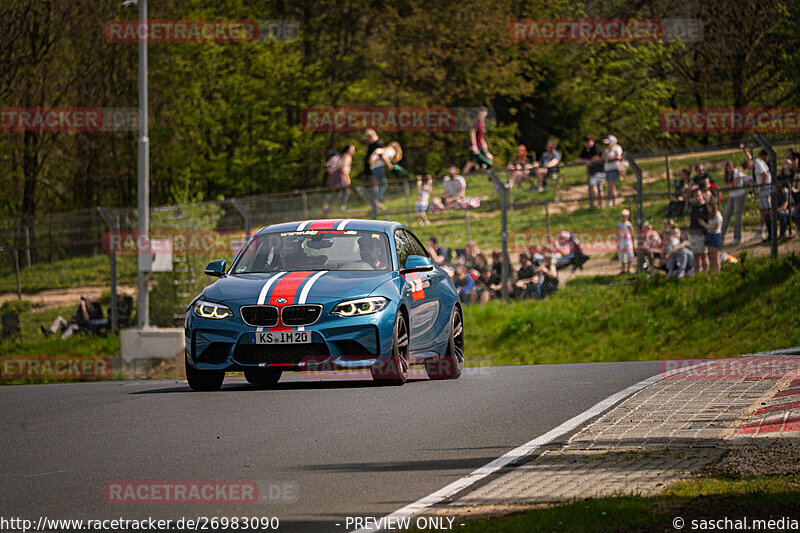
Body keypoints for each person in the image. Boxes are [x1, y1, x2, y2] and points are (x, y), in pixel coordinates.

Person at [720, 159, 750, 245]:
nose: (730, 168)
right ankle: (722, 236)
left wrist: (730, 186)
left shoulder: (736, 172)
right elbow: (726, 186)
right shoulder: (727, 175)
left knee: (737, 217)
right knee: (726, 215)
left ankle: (737, 238)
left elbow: (735, 185)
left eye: (731, 166)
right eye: (728, 167)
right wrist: (730, 185)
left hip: (739, 196)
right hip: (731, 196)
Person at [322, 144, 354, 216]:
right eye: (352, 149)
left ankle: (326, 207)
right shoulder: (347, 157)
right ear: (348, 149)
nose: (354, 150)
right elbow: (344, 168)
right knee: (345, 191)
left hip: (337, 176)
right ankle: (342, 207)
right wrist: (347, 178)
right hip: (342, 176)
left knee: (337, 193)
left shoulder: (342, 156)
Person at [368, 141, 403, 207]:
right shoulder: (392, 151)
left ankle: (378, 200)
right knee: (384, 184)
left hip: (373, 167)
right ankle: (377, 201)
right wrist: (389, 165)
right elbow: (385, 157)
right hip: (379, 167)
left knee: (379, 184)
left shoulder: (385, 149)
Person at [462, 107, 493, 175]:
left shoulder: (482, 123)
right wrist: (474, 145)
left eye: (485, 114)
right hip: (475, 146)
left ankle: (489, 176)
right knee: (471, 162)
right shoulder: (476, 122)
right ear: (479, 113)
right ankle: (462, 177)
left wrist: (484, 145)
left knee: (489, 157)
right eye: (482, 113)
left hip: (480, 145)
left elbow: (481, 137)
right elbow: (472, 133)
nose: (483, 115)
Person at [578, 135, 604, 208]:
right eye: (586, 142)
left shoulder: (596, 147)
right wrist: (587, 161)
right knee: (596, 188)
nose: (587, 143)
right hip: (591, 172)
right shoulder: (585, 149)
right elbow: (580, 159)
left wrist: (589, 161)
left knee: (596, 188)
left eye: (588, 141)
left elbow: (597, 157)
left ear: (592, 141)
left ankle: (598, 204)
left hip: (599, 171)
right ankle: (597, 205)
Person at [699, 196, 722, 273]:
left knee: (716, 257)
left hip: (715, 236)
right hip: (709, 235)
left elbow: (715, 228)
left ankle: (717, 272)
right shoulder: (710, 215)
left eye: (708, 207)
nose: (707, 209)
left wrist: (704, 224)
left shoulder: (717, 216)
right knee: (711, 257)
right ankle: (713, 272)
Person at [689, 188, 709, 274]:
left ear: (702, 196)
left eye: (699, 195)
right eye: (695, 196)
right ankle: (697, 275)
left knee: (703, 255)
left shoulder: (706, 207)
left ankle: (705, 273)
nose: (697, 197)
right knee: (696, 256)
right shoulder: (693, 208)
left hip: (702, 234)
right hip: (693, 234)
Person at [362, 129, 384, 207]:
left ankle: (377, 204)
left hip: (373, 172)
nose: (368, 141)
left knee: (374, 190)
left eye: (368, 139)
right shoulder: (371, 145)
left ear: (371, 137)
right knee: (366, 190)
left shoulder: (379, 145)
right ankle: (374, 204)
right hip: (367, 172)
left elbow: (379, 159)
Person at [754, 149, 772, 242]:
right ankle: (762, 230)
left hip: (765, 189)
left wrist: (762, 186)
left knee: (767, 210)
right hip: (765, 189)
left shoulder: (759, 163)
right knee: (763, 210)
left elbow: (765, 174)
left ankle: (769, 232)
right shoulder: (760, 162)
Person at [603, 135, 624, 207]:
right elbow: (604, 157)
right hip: (607, 170)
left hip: (614, 169)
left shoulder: (617, 148)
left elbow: (618, 156)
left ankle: (614, 203)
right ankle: (609, 203)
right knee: (609, 187)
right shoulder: (607, 150)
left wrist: (609, 158)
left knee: (611, 187)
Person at [616, 208, 634, 274]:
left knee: (629, 254)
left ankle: (629, 268)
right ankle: (623, 269)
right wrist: (617, 242)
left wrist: (633, 241)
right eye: (622, 216)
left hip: (628, 241)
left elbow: (632, 233)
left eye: (625, 216)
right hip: (621, 241)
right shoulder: (619, 225)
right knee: (622, 255)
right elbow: (617, 234)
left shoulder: (629, 224)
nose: (623, 218)